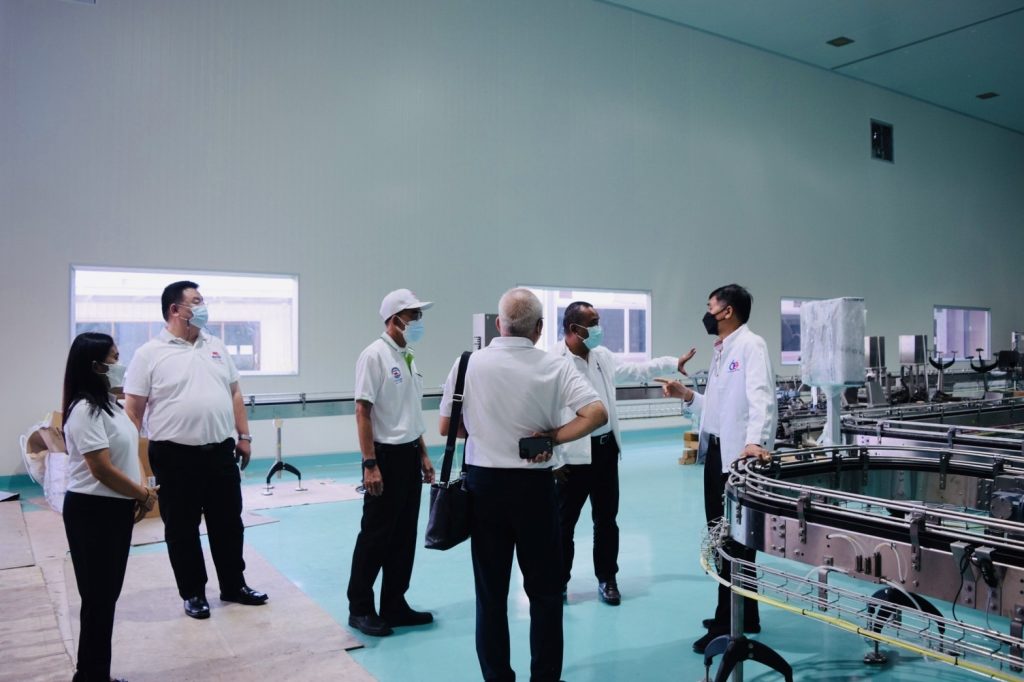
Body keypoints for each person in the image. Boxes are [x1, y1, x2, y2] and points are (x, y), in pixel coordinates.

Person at [439, 288, 608, 682]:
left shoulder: (468, 364)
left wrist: (487, 432)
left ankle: (497, 676)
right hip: (534, 489)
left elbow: (448, 426)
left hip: (483, 488)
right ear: (539, 327)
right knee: (545, 593)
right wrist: (552, 438)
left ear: (499, 324)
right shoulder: (554, 365)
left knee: (491, 594)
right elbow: (596, 414)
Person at [124, 281, 267, 620]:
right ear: (175, 309)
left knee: (228, 523)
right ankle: (193, 593)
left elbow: (234, 392)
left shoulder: (215, 346)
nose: (203, 307)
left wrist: (244, 436)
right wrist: (130, 463)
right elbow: (133, 411)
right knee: (181, 527)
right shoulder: (149, 354)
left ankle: (233, 585)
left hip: (220, 452)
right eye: (197, 301)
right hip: (174, 456)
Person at [660, 284, 777, 653]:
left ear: (727, 311)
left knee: (731, 541)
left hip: (738, 459)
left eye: (710, 307)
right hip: (718, 454)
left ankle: (728, 624)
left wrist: (755, 441)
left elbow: (761, 396)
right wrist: (688, 396)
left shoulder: (751, 345)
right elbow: (719, 407)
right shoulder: (723, 350)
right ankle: (745, 614)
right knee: (724, 537)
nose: (707, 313)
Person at [554, 301, 695, 606]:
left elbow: (637, 369)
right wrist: (554, 460)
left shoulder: (602, 356)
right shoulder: (553, 361)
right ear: (574, 329)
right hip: (571, 458)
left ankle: (607, 579)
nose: (599, 328)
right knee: (563, 524)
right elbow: (545, 412)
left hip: (605, 451)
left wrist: (673, 362)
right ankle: (558, 582)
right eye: (593, 323)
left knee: (607, 520)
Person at [61, 332, 158, 682]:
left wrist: (139, 492)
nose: (120, 365)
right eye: (114, 358)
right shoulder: (84, 410)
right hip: (92, 511)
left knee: (106, 597)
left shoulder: (111, 405)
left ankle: (95, 673)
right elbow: (100, 469)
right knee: (98, 597)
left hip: (114, 509)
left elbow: (127, 454)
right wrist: (142, 494)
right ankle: (89, 675)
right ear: (95, 366)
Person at [347, 289, 437, 637]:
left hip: (409, 455)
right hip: (383, 457)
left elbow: (409, 413)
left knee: (403, 536)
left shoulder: (407, 356)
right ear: (395, 319)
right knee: (375, 536)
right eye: (414, 315)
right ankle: (360, 608)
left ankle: (394, 604)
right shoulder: (375, 356)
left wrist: (423, 454)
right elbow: (362, 411)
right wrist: (369, 463)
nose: (419, 321)